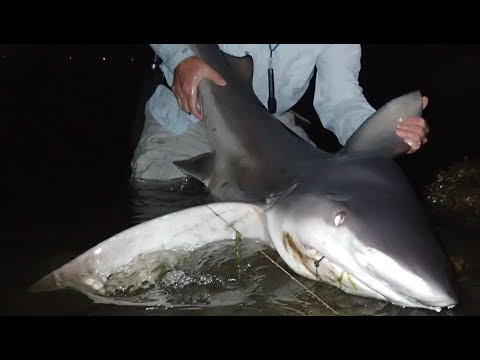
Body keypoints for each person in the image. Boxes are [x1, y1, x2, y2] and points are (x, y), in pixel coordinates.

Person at [131, 44, 429, 181]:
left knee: (319, 190)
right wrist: (181, 57)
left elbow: (340, 101)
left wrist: (380, 133)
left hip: (273, 124)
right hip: (188, 115)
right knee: (159, 191)